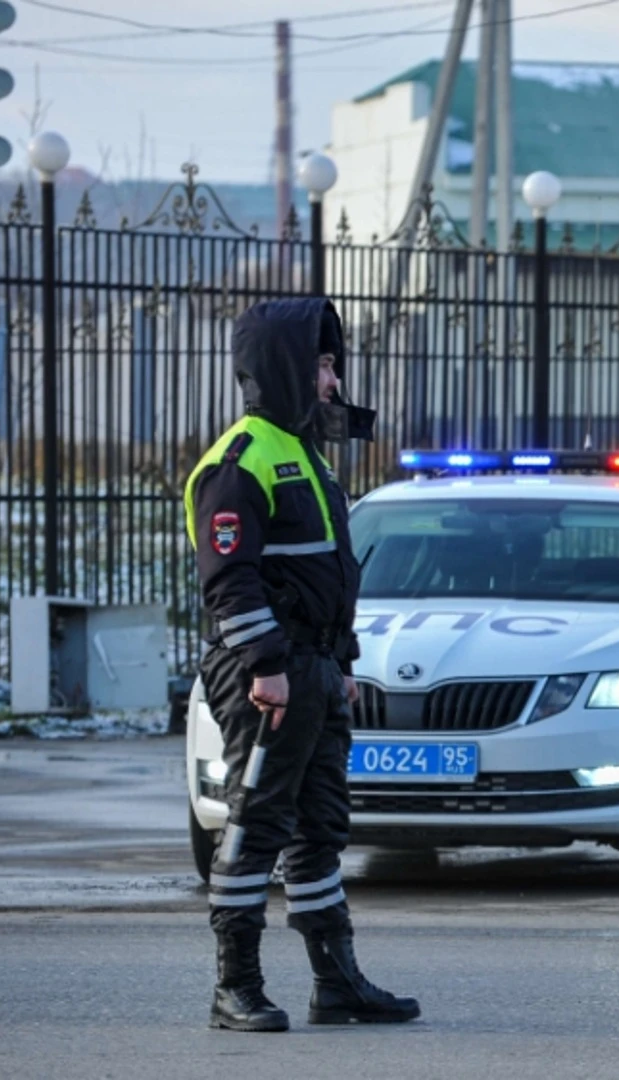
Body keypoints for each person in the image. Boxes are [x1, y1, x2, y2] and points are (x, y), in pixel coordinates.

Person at [183, 297, 418, 1032]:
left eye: (331, 363)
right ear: (284, 366)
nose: (330, 380)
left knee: (320, 826)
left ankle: (336, 982)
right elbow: (230, 578)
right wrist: (265, 665)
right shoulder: (239, 460)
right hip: (267, 673)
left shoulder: (306, 456)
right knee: (257, 821)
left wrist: (338, 660)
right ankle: (236, 987)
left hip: (312, 669)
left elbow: (330, 570)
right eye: (320, 364)